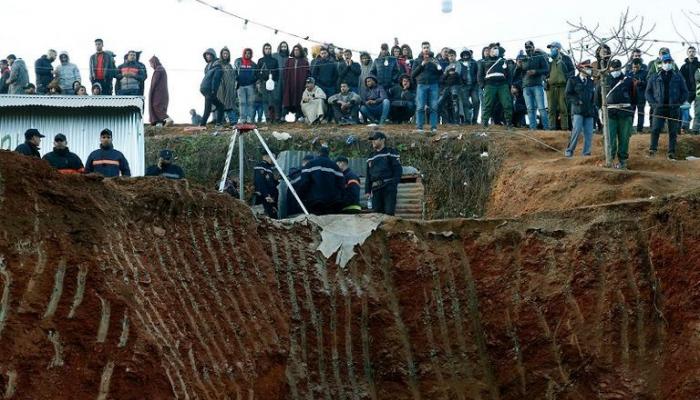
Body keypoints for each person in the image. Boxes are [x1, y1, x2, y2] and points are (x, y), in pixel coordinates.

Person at [646, 53, 688, 159]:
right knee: (655, 129)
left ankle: (671, 152)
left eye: (669, 62)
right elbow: (648, 92)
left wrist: (679, 103)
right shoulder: (654, 77)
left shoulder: (678, 77)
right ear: (662, 63)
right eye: (665, 62)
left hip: (673, 108)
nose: (667, 64)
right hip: (659, 108)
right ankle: (652, 149)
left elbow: (685, 92)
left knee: (673, 131)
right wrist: (653, 104)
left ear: (672, 63)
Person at [596, 59, 634, 169]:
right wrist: (601, 111)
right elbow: (597, 98)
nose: (616, 70)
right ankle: (610, 159)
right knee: (610, 137)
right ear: (610, 68)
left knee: (624, 138)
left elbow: (633, 97)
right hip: (610, 114)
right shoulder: (603, 80)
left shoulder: (628, 80)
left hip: (625, 113)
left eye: (618, 67)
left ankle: (623, 160)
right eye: (614, 67)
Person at [292, 145, 344, 215]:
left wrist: (300, 196)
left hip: (315, 202)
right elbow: (341, 185)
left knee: (315, 221)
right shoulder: (335, 166)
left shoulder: (310, 164)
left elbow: (304, 182)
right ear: (328, 154)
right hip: (332, 202)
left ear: (318, 153)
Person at [365, 131, 402, 216]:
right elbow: (368, 174)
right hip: (375, 189)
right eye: (372, 140)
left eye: (375, 139)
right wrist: (367, 190)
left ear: (382, 140)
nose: (373, 141)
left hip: (388, 187)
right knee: (376, 214)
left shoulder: (391, 152)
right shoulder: (371, 156)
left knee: (389, 212)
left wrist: (393, 184)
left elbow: (398, 170)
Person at [565, 60, 596, 157]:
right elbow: (568, 94)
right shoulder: (573, 80)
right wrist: (577, 101)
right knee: (576, 130)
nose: (589, 70)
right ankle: (570, 150)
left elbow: (593, 97)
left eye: (589, 68)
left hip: (589, 111)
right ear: (581, 69)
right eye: (587, 68)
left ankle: (586, 152)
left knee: (589, 133)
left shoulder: (591, 82)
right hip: (578, 110)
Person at [479, 42, 513, 128]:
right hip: (489, 85)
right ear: (489, 50)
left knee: (507, 104)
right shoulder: (484, 62)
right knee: (487, 104)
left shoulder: (503, 60)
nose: (496, 50)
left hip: (502, 85)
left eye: (497, 48)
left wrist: (508, 85)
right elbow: (479, 75)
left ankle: (509, 123)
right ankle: (484, 124)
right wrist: (482, 85)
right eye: (494, 48)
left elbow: (509, 74)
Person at [412, 43, 443, 132]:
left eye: (427, 47)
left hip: (433, 85)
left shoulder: (435, 60)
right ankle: (419, 127)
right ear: (422, 49)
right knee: (420, 107)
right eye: (424, 48)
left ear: (430, 49)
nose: (426, 49)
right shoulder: (417, 60)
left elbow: (441, 73)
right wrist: (422, 65)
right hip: (421, 85)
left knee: (434, 107)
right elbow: (413, 74)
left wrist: (437, 65)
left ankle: (433, 127)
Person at [545, 42, 575, 130]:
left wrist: (566, 79)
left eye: (552, 47)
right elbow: (544, 72)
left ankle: (564, 128)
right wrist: (545, 80)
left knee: (563, 108)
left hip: (563, 87)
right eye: (550, 48)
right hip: (551, 87)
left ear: (558, 49)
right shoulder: (548, 59)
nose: (551, 50)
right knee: (551, 109)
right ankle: (552, 128)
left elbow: (572, 71)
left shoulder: (566, 58)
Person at [521, 41, 550, 130]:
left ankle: (546, 128)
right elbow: (519, 72)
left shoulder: (539, 56)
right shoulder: (523, 58)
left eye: (529, 47)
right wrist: (518, 67)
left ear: (533, 47)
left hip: (537, 85)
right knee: (530, 109)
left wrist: (536, 71)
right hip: (526, 86)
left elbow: (546, 69)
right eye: (526, 47)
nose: (528, 49)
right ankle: (532, 129)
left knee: (541, 108)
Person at [283, 44, 310, 120]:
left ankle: (298, 115)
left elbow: (307, 74)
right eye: (295, 50)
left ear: (300, 51)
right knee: (288, 99)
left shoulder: (304, 62)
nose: (296, 51)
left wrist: (305, 83)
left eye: (297, 50)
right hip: (290, 84)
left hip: (300, 84)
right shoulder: (289, 61)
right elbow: (285, 72)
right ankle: (283, 116)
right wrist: (286, 81)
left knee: (299, 99)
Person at [199, 48, 224, 126]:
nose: (208, 56)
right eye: (206, 55)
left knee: (219, 106)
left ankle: (218, 123)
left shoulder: (211, 66)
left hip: (204, 88)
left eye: (209, 55)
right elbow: (215, 79)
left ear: (213, 55)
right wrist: (214, 90)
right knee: (208, 108)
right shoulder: (217, 67)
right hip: (209, 89)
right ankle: (203, 124)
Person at [235, 48, 259, 123]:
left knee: (250, 103)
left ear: (251, 54)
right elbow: (235, 72)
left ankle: (249, 118)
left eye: (249, 53)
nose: (247, 54)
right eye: (246, 53)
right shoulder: (238, 62)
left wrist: (253, 80)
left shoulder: (253, 64)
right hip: (240, 86)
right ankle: (242, 118)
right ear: (243, 53)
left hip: (250, 86)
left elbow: (257, 74)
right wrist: (237, 79)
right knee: (242, 103)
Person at [258, 43, 280, 122]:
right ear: (263, 50)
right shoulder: (260, 60)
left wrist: (276, 81)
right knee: (265, 100)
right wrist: (260, 81)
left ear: (271, 50)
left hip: (273, 82)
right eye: (266, 48)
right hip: (264, 83)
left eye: (269, 48)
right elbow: (258, 72)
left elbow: (277, 72)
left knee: (275, 100)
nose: (267, 50)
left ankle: (276, 117)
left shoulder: (274, 60)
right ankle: (267, 117)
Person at [440, 49, 463, 124]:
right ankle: (447, 121)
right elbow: (442, 78)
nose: (450, 57)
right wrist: (448, 73)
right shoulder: (447, 67)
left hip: (455, 86)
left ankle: (457, 121)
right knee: (442, 102)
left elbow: (456, 74)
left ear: (455, 56)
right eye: (449, 56)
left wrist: (448, 75)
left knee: (455, 102)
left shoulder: (458, 64)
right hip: (447, 87)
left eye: (452, 56)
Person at [679, 47, 700, 132]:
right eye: (690, 51)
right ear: (687, 53)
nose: (691, 53)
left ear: (695, 53)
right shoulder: (683, 67)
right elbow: (680, 80)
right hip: (687, 92)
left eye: (693, 52)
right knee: (684, 108)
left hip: (698, 92)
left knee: (698, 111)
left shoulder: (699, 65)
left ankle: (695, 129)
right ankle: (685, 127)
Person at [217, 47, 239, 125]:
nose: (225, 55)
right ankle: (220, 121)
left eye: (227, 54)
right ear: (221, 54)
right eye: (224, 53)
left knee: (230, 104)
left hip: (230, 89)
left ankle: (233, 122)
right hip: (221, 88)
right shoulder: (218, 64)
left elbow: (233, 76)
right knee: (221, 104)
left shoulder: (229, 65)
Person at [254, 152, 279, 218]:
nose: (274, 160)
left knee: (274, 216)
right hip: (265, 198)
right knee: (268, 218)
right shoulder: (260, 166)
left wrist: (277, 181)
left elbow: (270, 182)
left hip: (272, 198)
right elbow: (260, 182)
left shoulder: (270, 167)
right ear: (266, 156)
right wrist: (266, 195)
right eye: (273, 157)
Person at [458, 49, 479, 124]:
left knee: (476, 101)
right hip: (464, 86)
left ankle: (475, 119)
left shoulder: (474, 62)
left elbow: (478, 73)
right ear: (462, 55)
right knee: (465, 103)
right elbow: (458, 74)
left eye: (467, 54)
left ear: (469, 55)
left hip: (473, 86)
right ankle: (467, 120)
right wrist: (461, 83)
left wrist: (477, 83)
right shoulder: (459, 63)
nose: (465, 56)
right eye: (464, 54)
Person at [149, 56, 171, 126]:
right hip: (161, 93)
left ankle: (167, 119)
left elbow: (154, 83)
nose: (150, 66)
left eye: (151, 64)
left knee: (156, 106)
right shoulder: (161, 69)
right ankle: (159, 124)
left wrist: (151, 92)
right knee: (159, 106)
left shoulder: (158, 70)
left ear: (154, 63)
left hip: (158, 93)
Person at [627, 59, 648, 133]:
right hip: (631, 97)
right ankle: (629, 129)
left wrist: (640, 82)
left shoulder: (645, 73)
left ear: (640, 66)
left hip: (641, 97)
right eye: (633, 67)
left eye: (637, 67)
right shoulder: (629, 74)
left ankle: (640, 129)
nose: (635, 69)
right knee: (631, 113)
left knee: (641, 113)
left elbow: (648, 84)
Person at [272, 42, 290, 122]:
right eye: (282, 46)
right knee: (277, 98)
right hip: (277, 79)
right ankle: (277, 116)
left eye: (285, 46)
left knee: (285, 98)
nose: (283, 48)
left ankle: (283, 116)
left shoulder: (289, 57)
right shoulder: (275, 55)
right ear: (280, 47)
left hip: (286, 80)